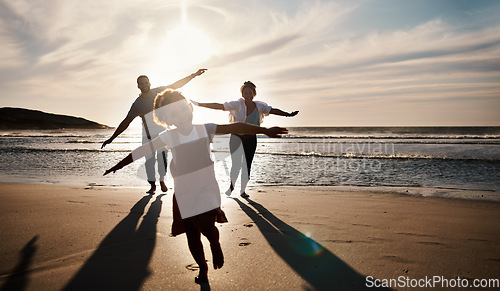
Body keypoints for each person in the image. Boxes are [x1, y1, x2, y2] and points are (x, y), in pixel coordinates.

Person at [104, 89, 287, 284]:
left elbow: (237, 126)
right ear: (167, 119)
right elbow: (143, 150)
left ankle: (215, 243)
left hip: (206, 186)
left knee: (208, 226)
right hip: (184, 191)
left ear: (190, 108)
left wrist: (264, 130)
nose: (181, 116)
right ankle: (203, 268)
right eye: (174, 114)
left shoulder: (205, 129)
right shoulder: (168, 137)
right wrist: (119, 164)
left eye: (183, 109)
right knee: (191, 233)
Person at [101, 69, 206, 194]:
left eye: (146, 83)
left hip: (162, 133)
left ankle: (162, 179)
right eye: (142, 83)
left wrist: (193, 75)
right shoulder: (137, 104)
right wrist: (112, 138)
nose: (145, 85)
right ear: (138, 86)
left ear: (149, 83)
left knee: (163, 159)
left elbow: (175, 85)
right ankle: (152, 185)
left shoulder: (158, 92)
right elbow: (126, 122)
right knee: (149, 162)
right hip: (148, 135)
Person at [194, 81, 298, 198]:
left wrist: (287, 114)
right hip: (236, 138)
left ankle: (243, 191)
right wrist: (200, 104)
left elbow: (272, 110)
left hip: (251, 139)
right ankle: (231, 187)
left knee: (247, 165)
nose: (248, 94)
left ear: (254, 93)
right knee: (236, 164)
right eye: (245, 93)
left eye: (250, 92)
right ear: (242, 94)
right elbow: (220, 106)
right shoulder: (237, 105)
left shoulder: (259, 106)